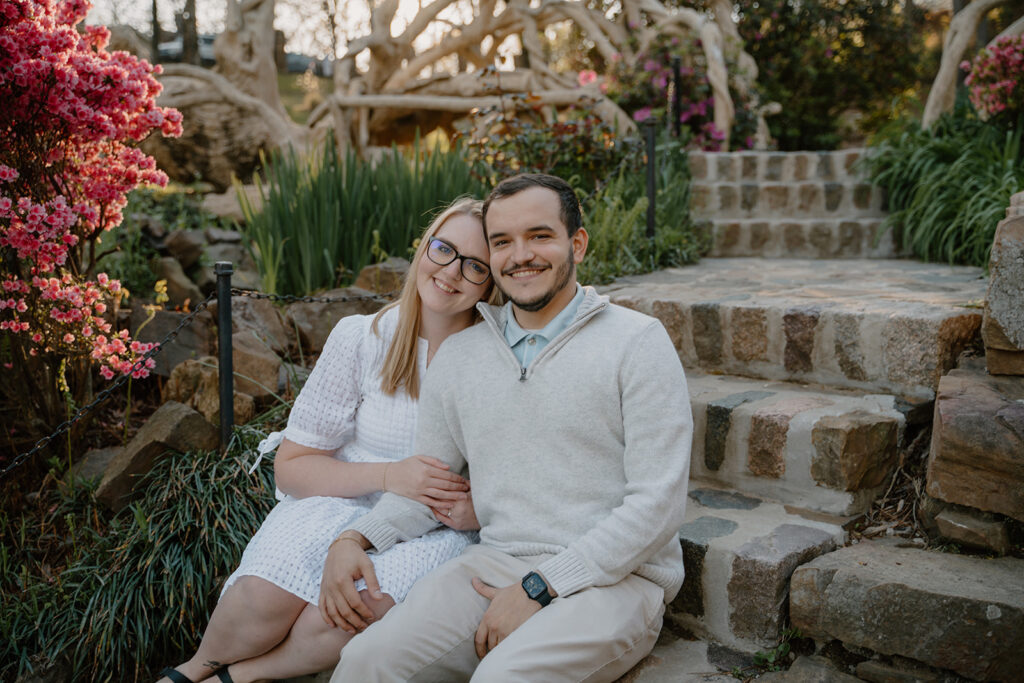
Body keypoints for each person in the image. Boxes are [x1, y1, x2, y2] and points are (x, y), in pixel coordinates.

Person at [321, 173, 694, 682]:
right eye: (503, 242)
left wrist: (542, 586)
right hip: (493, 565)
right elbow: (427, 486)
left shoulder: (637, 342)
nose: (521, 255)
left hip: (618, 582)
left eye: (539, 236)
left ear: (576, 244)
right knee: (365, 664)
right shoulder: (460, 357)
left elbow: (658, 504)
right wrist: (353, 541)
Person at [158, 197, 497, 683]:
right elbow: (292, 466)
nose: (452, 272)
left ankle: (244, 677)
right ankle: (190, 673)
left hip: (432, 526)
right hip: (340, 497)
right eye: (444, 249)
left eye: (476, 266)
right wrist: (387, 476)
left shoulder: (495, 361)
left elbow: (518, 475)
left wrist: (477, 509)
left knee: (351, 607)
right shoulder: (363, 337)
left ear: (490, 281)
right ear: (424, 248)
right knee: (262, 595)